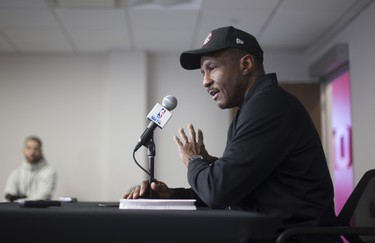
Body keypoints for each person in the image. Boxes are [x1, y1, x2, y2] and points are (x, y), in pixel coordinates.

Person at [124, 26, 342, 242]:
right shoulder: (252, 108)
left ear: (246, 64)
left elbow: (218, 192)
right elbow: (234, 188)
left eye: (212, 68)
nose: (205, 81)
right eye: (203, 73)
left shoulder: (268, 105)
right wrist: (172, 196)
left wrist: (194, 160)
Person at [3, 135, 57, 202]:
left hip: (40, 212)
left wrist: (17, 199)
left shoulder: (49, 172)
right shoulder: (15, 173)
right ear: (23, 150)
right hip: (17, 212)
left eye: (35, 149)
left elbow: (43, 197)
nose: (32, 152)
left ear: (41, 151)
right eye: (28, 148)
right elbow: (8, 198)